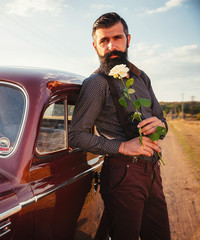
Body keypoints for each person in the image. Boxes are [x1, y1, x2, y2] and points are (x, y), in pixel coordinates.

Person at [69, 12, 171, 240]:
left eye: (117, 38)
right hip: (123, 175)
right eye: (104, 40)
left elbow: (162, 121)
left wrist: (160, 126)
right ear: (95, 45)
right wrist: (123, 147)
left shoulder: (141, 77)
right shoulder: (95, 84)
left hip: (153, 172)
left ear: (128, 39)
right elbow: (76, 136)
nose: (111, 46)